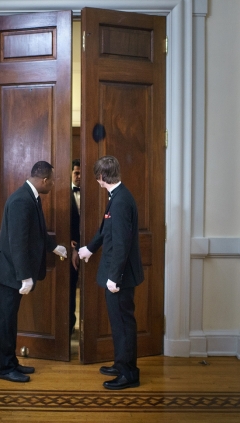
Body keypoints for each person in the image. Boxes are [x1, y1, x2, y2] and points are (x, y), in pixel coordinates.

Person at [0, 161, 68, 383]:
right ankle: (3, 368)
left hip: (12, 269)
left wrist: (54, 247)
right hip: (8, 270)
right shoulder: (22, 200)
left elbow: (38, 230)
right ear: (44, 180)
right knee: (4, 321)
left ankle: (10, 363)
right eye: (52, 180)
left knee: (10, 320)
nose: (53, 184)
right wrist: (24, 275)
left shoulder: (31, 197)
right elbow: (18, 242)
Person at [78, 155, 143, 390]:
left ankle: (128, 374)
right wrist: (89, 248)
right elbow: (106, 230)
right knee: (118, 324)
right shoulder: (117, 196)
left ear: (102, 177)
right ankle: (120, 364)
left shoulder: (121, 201)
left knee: (123, 324)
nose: (97, 180)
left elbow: (122, 244)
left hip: (120, 277)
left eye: (97, 176)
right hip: (117, 274)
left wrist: (114, 277)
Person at [69, 159, 81, 338]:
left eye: (81, 173)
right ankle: (69, 327)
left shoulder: (93, 193)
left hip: (90, 248)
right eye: (76, 173)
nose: (79, 177)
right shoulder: (64, 193)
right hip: (70, 249)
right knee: (70, 289)